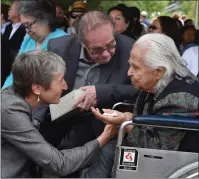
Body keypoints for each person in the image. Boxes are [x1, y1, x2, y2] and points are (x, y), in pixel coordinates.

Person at [81, 33, 199, 177]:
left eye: (135, 67)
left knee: (110, 152)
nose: (129, 72)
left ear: (158, 72)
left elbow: (158, 151)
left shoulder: (180, 99)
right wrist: (126, 116)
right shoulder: (159, 80)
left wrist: (127, 123)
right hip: (153, 153)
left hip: (168, 164)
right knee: (107, 150)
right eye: (130, 64)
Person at [1, 50, 118, 178]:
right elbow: (59, 164)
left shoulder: (13, 97)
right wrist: (105, 137)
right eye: (60, 80)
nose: (65, 86)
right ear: (37, 88)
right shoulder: (9, 110)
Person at [43, 11, 138, 151]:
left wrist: (102, 92)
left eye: (111, 45)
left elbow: (141, 89)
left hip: (103, 129)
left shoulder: (130, 48)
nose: (106, 54)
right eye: (97, 50)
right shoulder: (59, 47)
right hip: (58, 121)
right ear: (81, 42)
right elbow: (41, 87)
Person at [2, 0, 67, 89]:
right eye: (24, 26)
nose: (27, 31)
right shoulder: (28, 40)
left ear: (45, 18)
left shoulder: (62, 40)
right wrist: (4, 92)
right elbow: (15, 72)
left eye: (28, 25)